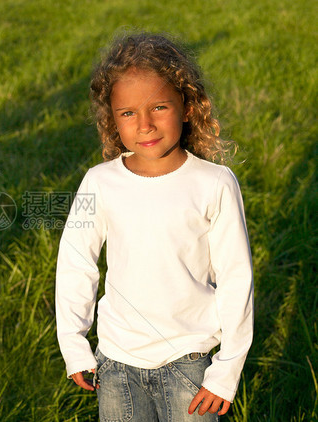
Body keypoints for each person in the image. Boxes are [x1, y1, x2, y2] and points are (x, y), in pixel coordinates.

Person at [55, 32, 254, 421]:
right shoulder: (100, 182)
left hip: (190, 362)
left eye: (158, 107)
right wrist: (74, 343)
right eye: (128, 113)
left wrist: (226, 369)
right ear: (112, 117)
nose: (144, 124)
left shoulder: (214, 183)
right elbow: (76, 263)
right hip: (116, 364)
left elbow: (236, 278)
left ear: (187, 106)